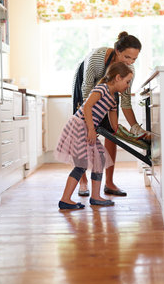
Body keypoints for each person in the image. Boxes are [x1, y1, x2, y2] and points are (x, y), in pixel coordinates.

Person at [72, 31, 148, 198]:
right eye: (127, 57)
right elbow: (86, 89)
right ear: (117, 50)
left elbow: (126, 101)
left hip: (110, 87)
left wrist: (135, 128)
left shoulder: (128, 71)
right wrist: (90, 122)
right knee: (83, 133)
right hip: (85, 86)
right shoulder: (97, 58)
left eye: (134, 59)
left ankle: (109, 182)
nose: (130, 62)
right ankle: (82, 181)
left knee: (111, 133)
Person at [55, 62, 134, 210]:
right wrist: (91, 129)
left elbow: (114, 125)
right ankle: (65, 199)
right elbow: (87, 106)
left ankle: (96, 197)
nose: (128, 85)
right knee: (81, 164)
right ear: (117, 78)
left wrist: (127, 135)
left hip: (89, 129)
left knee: (100, 159)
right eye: (127, 81)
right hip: (80, 127)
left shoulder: (113, 98)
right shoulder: (102, 88)